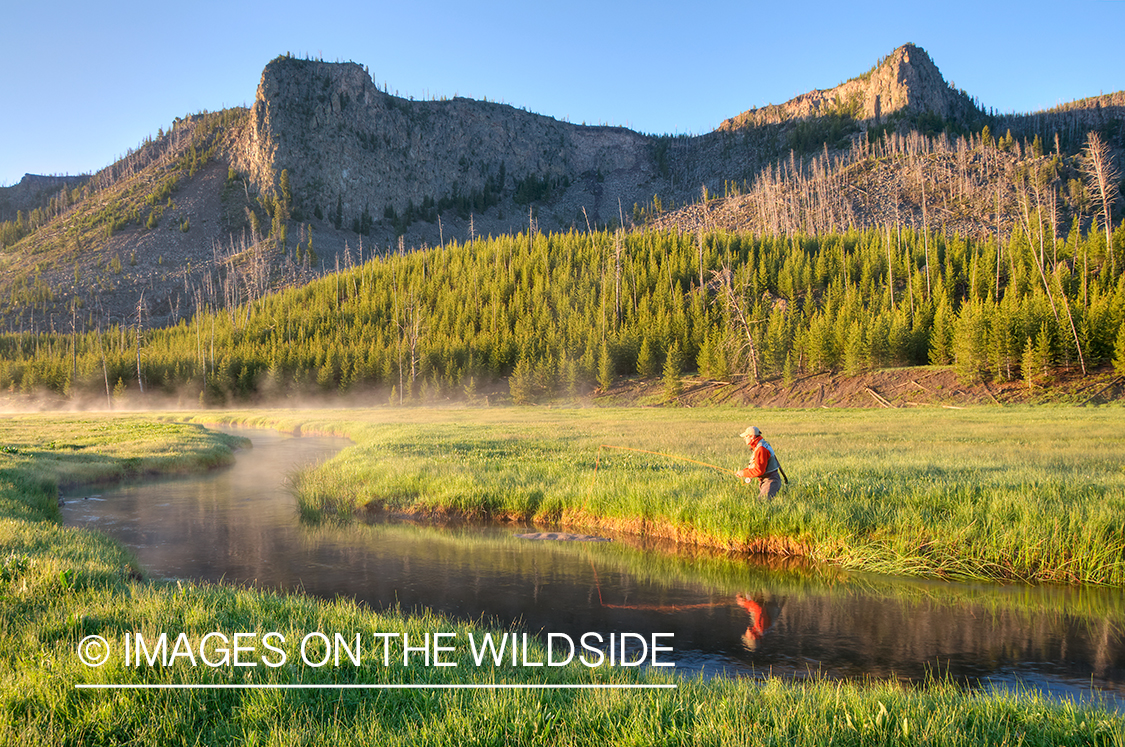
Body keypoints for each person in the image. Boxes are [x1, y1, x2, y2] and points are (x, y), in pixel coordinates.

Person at [736, 426, 784, 499]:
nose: (744, 438)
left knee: (762, 502)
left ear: (752, 437)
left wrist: (743, 473)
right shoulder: (760, 445)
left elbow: (759, 471)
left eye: (746, 436)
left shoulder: (761, 449)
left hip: (770, 480)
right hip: (766, 480)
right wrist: (744, 471)